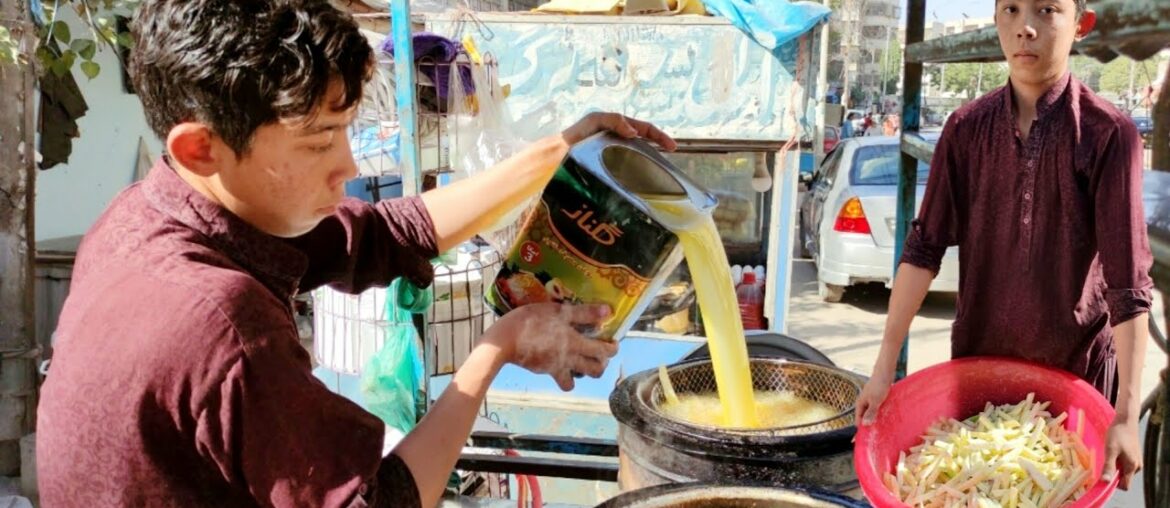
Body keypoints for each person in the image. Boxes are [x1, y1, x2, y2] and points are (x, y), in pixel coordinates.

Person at [35, 1, 677, 506]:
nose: (346, 165)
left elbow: (388, 234)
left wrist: (560, 151)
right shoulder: (224, 325)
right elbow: (386, 502)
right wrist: (496, 350)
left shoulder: (144, 213)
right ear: (202, 148)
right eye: (318, 143)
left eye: (344, 131)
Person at [855, 0, 1150, 491]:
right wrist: (884, 366)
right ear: (994, 21)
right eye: (1010, 9)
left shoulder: (1108, 134)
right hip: (979, 382)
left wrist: (1125, 413)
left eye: (1047, 10)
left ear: (1082, 25)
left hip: (1076, 383)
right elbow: (924, 249)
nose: (1025, 28)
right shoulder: (965, 128)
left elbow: (1129, 285)